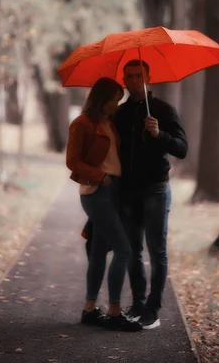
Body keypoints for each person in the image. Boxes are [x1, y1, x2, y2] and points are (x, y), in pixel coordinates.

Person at [113, 59, 188, 330]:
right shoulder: (119, 114)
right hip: (128, 193)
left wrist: (159, 134)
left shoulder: (163, 110)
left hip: (156, 190)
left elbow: (182, 148)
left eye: (137, 76)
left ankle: (153, 309)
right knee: (132, 252)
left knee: (157, 252)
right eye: (128, 76)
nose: (132, 80)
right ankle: (137, 302)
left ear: (148, 78)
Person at [66, 77, 142, 332]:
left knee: (99, 252)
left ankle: (89, 310)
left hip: (114, 191)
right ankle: (115, 312)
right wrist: (101, 177)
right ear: (102, 99)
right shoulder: (82, 124)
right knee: (123, 250)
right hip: (96, 191)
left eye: (118, 100)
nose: (116, 105)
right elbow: (73, 161)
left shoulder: (109, 123)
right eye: (113, 100)